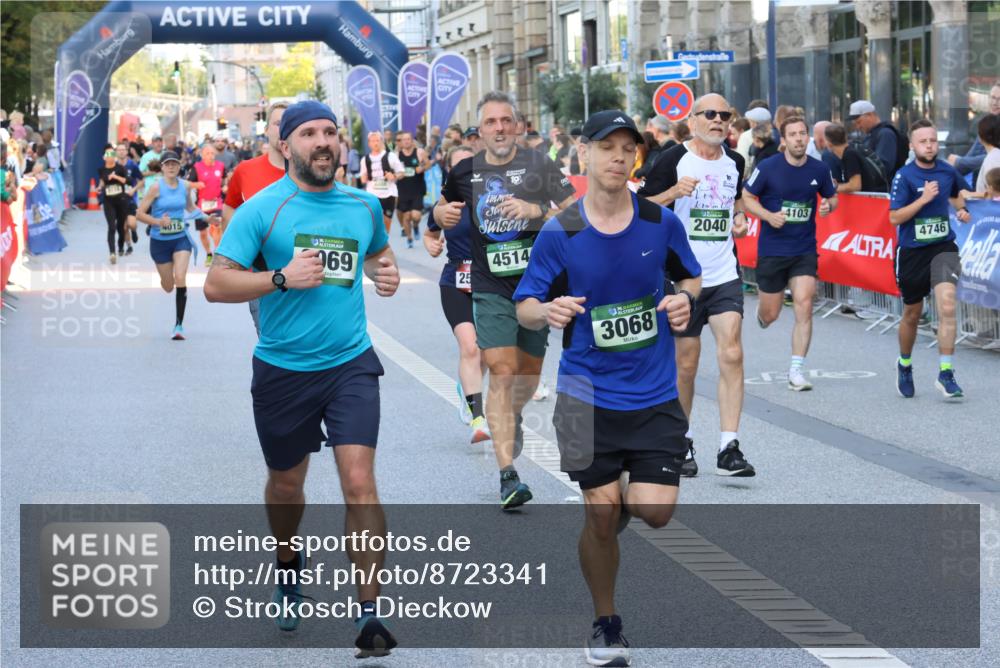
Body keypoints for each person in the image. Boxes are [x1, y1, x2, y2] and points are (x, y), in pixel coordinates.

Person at [204, 100, 401, 657]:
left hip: (350, 363)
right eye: (309, 133)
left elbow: (378, 256)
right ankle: (288, 562)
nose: (322, 142)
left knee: (359, 481)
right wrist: (281, 278)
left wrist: (384, 274)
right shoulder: (262, 210)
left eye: (330, 132)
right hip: (284, 369)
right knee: (287, 486)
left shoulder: (364, 206)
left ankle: (369, 614)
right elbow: (216, 284)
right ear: (285, 145)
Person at [513, 110, 702, 667]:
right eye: (607, 147)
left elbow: (691, 276)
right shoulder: (563, 230)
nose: (618, 157)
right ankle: (606, 622)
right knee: (600, 516)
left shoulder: (658, 222)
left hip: (653, 393)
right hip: (584, 395)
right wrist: (547, 310)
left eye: (627, 148)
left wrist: (684, 299)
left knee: (655, 512)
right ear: (584, 153)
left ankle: (618, 491)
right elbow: (525, 305)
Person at [433, 90, 576, 510]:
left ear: (518, 126)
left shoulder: (540, 164)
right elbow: (440, 210)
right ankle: (508, 475)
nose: (499, 128)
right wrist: (441, 216)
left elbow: (578, 215)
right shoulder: (464, 171)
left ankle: (509, 416)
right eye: (490, 122)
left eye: (505, 121)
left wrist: (536, 211)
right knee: (501, 367)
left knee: (527, 378)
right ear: (479, 131)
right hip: (489, 284)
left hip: (537, 286)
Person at [638, 93, 755, 478]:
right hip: (682, 278)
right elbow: (641, 208)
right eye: (710, 114)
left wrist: (739, 219)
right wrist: (673, 193)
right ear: (693, 121)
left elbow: (736, 201)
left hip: (723, 274)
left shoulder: (735, 161)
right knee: (685, 365)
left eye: (725, 115)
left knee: (732, 352)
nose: (718, 120)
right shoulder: (672, 159)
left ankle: (729, 447)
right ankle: (681, 440)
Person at [742, 116, 839, 391]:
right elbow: (747, 197)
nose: (799, 139)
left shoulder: (819, 169)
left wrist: (828, 206)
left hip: (803, 249)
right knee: (771, 314)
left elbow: (832, 197)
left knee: (804, 305)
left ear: (808, 137)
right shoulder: (768, 167)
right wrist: (768, 216)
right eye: (793, 135)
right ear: (783, 140)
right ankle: (763, 316)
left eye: (802, 134)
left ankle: (796, 370)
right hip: (773, 250)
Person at [889, 119, 972, 400]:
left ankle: (946, 373)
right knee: (912, 313)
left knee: (947, 306)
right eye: (923, 141)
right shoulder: (904, 176)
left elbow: (957, 197)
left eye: (933, 141)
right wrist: (923, 200)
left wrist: (962, 210)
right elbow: (894, 217)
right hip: (913, 251)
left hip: (943, 247)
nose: (929, 146)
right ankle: (904, 364)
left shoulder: (947, 171)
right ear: (912, 145)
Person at [424, 144, 491, 443]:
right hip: (455, 281)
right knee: (470, 348)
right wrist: (432, 245)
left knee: (486, 353)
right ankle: (478, 418)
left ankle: (466, 388)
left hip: (490, 283)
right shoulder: (445, 204)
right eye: (459, 166)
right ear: (450, 171)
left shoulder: (493, 198)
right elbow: (430, 234)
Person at [223, 102, 288, 335]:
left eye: (289, 123)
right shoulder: (245, 170)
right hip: (261, 277)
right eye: (278, 123)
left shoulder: (311, 173)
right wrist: (237, 252)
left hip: (308, 275)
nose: (283, 128)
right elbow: (230, 208)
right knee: (271, 342)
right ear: (267, 129)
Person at [135, 150, 201, 340]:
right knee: (168, 286)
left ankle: (179, 326)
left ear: (179, 166)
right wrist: (158, 222)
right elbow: (139, 214)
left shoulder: (185, 186)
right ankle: (166, 279)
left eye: (175, 164)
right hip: (160, 241)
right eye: (168, 164)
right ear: (162, 167)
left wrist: (207, 217)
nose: (171, 167)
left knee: (180, 277)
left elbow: (190, 207)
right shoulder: (155, 188)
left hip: (181, 238)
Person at [948, 82, 1000, 180]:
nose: (995, 103)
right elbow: (974, 152)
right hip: (980, 184)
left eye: (999, 99)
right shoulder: (986, 122)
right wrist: (955, 166)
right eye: (993, 97)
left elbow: (996, 157)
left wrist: (960, 161)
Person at [360, 131, 405, 235]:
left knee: (386, 223)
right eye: (372, 141)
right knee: (374, 222)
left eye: (377, 140)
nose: (375, 143)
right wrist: (364, 178)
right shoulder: (365, 159)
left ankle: (384, 241)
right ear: (369, 143)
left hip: (389, 194)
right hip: (372, 195)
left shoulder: (391, 156)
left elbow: (402, 172)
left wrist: (394, 176)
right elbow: (363, 178)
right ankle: (378, 242)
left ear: (381, 142)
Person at [849, 100, 906, 181]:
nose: (858, 127)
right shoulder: (872, 135)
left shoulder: (885, 134)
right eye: (855, 124)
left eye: (859, 122)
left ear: (869, 115)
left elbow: (883, 167)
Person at [824, 122, 887, 194]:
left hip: (869, 199)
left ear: (829, 143)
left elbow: (855, 185)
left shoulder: (849, 155)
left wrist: (832, 188)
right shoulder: (850, 151)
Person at [394, 131, 430, 248]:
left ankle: (415, 226)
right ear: (401, 142)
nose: (406, 141)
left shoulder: (419, 152)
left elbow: (428, 164)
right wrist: (397, 175)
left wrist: (422, 167)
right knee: (406, 216)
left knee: (416, 216)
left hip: (417, 189)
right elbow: (392, 170)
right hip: (402, 190)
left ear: (412, 140)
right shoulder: (396, 155)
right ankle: (409, 238)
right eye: (403, 140)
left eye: (408, 139)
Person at [191, 143, 225, 265]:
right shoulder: (196, 167)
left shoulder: (220, 166)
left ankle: (217, 254)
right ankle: (209, 254)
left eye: (212, 153)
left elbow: (224, 180)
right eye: (207, 153)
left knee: (217, 227)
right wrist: (196, 185)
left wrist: (225, 186)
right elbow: (188, 183)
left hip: (217, 202)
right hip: (202, 204)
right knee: (203, 233)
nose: (210, 156)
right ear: (202, 155)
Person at [98, 148, 130, 264]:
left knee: (120, 227)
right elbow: (102, 181)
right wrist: (99, 187)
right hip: (108, 201)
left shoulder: (120, 168)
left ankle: (121, 246)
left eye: (112, 155)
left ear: (114, 157)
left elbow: (126, 181)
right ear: (104, 158)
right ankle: (112, 253)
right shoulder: (101, 169)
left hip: (121, 200)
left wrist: (115, 177)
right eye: (108, 155)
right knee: (111, 227)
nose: (110, 157)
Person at [116, 140, 142, 255]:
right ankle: (129, 246)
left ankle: (134, 230)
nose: (121, 152)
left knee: (131, 224)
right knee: (123, 227)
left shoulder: (132, 165)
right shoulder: (113, 166)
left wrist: (134, 190)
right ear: (116, 152)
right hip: (117, 200)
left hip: (130, 199)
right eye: (119, 150)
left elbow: (141, 181)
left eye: (123, 150)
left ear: (126, 152)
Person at [973, 113, 1000, 195]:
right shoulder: (994, 156)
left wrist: (969, 194)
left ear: (980, 137)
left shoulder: (993, 159)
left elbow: (995, 194)